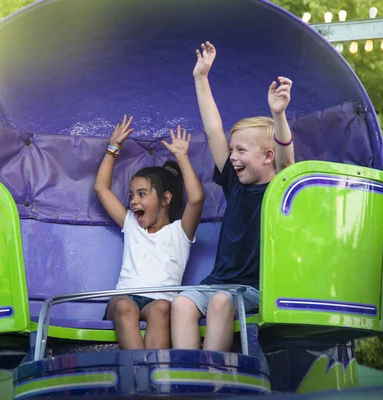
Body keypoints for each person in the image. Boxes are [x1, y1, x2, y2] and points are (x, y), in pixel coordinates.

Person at [171, 41, 295, 351]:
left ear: (267, 156)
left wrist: (278, 115)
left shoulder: (279, 188)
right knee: (183, 302)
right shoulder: (235, 182)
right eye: (232, 150)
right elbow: (214, 130)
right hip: (219, 281)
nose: (233, 157)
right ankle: (190, 378)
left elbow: (287, 163)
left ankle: (214, 376)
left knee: (222, 302)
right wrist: (201, 78)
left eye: (241, 150)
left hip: (254, 288)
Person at [94, 116, 205, 349]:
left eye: (142, 194)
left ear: (165, 199)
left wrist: (182, 157)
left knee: (163, 308)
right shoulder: (132, 224)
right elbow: (101, 188)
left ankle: (157, 375)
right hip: (125, 299)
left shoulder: (180, 232)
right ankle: (139, 376)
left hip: (160, 302)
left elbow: (196, 198)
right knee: (124, 306)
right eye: (132, 195)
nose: (134, 201)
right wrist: (113, 148)